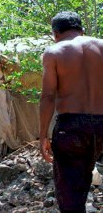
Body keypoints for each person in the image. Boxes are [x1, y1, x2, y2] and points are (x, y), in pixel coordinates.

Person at [40, 11, 103, 212]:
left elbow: (48, 96)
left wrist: (43, 136)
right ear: (82, 30)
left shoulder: (54, 52)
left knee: (71, 196)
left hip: (71, 128)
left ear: (55, 34)